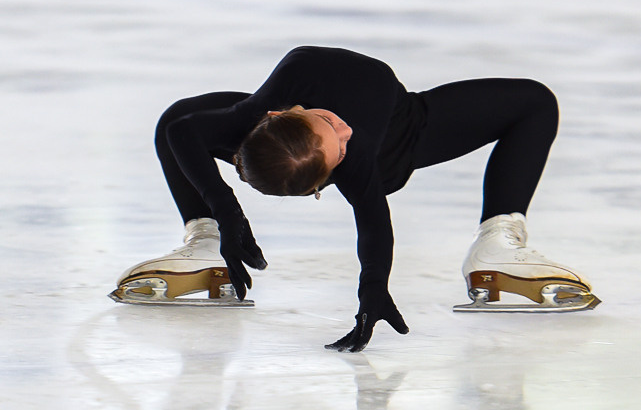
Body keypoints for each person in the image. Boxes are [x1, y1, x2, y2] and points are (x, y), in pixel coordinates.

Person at [110, 45, 599, 350]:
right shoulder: (264, 122)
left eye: (331, 128)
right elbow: (181, 133)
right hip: (291, 143)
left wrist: (373, 290)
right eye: (336, 141)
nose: (343, 130)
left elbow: (374, 221)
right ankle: (206, 240)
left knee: (534, 101)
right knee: (177, 116)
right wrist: (223, 213)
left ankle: (497, 240)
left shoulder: (356, 149)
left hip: (406, 134)